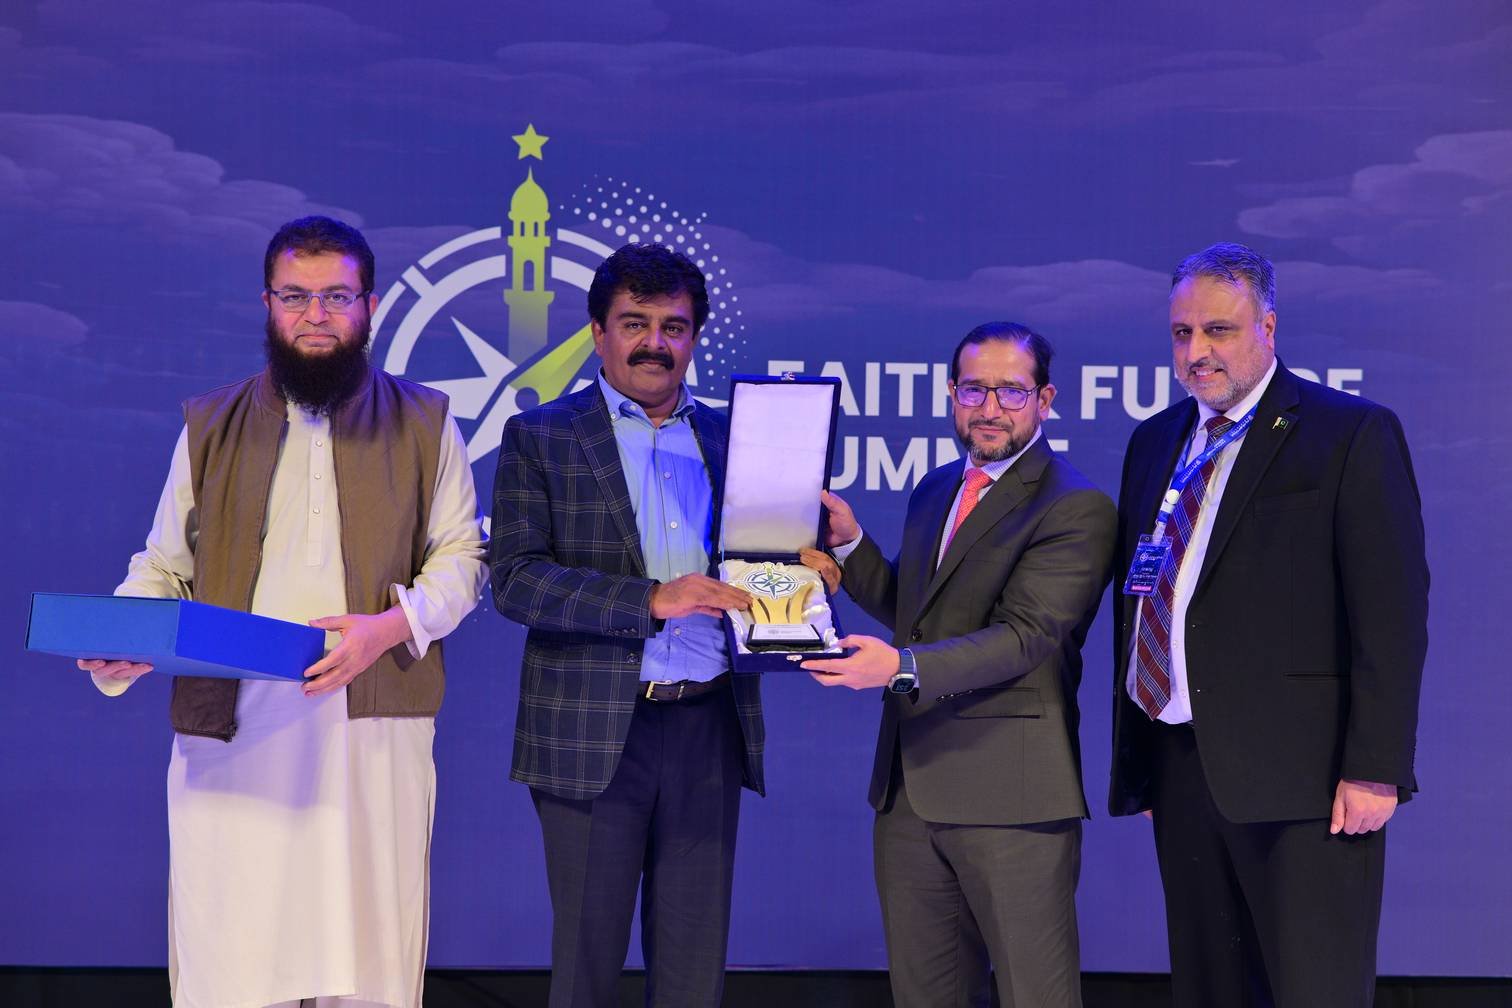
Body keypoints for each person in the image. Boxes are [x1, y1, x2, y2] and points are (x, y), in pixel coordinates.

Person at [76, 215, 487, 1008]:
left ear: (370, 306)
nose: (315, 315)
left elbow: (463, 560)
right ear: (267, 305)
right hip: (236, 733)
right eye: (296, 297)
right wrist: (129, 638)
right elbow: (163, 566)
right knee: (234, 962)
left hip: (370, 729)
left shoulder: (425, 422)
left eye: (337, 296)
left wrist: (386, 630)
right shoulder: (211, 425)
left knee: (368, 962)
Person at [1108, 242, 1429, 1007]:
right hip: (1183, 767)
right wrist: (1142, 761)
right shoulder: (1155, 440)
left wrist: (1376, 765)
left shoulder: (1348, 432)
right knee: (1209, 990)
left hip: (1306, 783)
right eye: (1182, 333)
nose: (1197, 351)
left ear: (1269, 326)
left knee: (1315, 991)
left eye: (1218, 330)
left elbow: (1391, 613)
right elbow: (1148, 593)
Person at [802, 322, 1116, 1008]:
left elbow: (1024, 637)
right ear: (951, 393)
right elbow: (920, 616)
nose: (990, 407)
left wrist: (899, 667)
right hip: (909, 796)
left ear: (1045, 399)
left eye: (1011, 391)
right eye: (974, 389)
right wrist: (852, 548)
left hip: (1013, 800)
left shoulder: (1076, 505)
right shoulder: (937, 488)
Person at [489, 242, 760, 1007]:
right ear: (598, 332)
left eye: (674, 326)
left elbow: (767, 561)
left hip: (709, 725)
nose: (655, 343)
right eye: (635, 323)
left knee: (694, 972)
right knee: (586, 968)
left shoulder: (736, 439)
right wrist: (649, 601)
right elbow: (515, 580)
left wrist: (811, 571)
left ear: (694, 337)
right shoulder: (542, 435)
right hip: (590, 731)